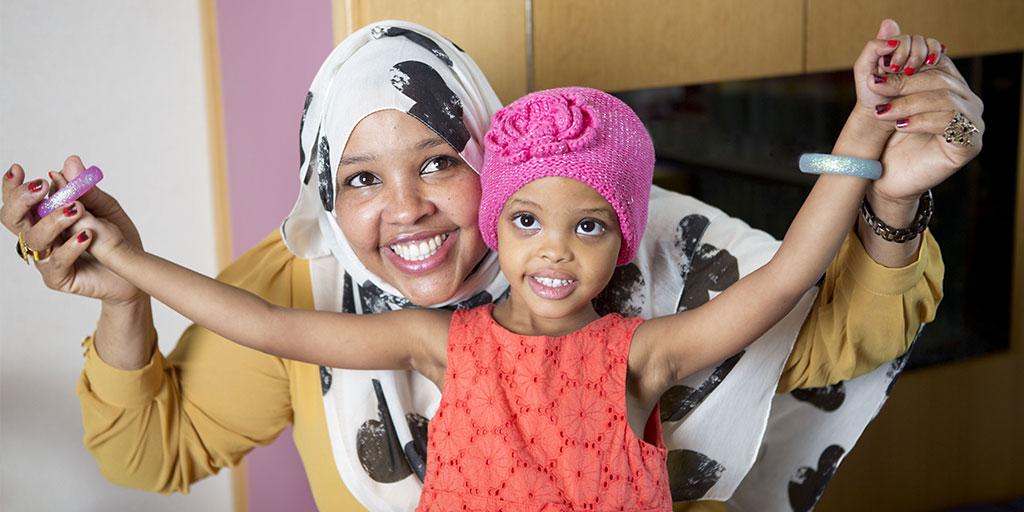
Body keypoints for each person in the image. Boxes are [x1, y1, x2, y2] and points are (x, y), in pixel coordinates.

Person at [0, 19, 980, 511]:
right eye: (360, 177)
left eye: (438, 161)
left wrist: (871, 148)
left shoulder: (644, 341)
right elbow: (261, 325)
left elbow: (794, 280)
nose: (406, 207)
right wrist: (127, 270)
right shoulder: (425, 334)